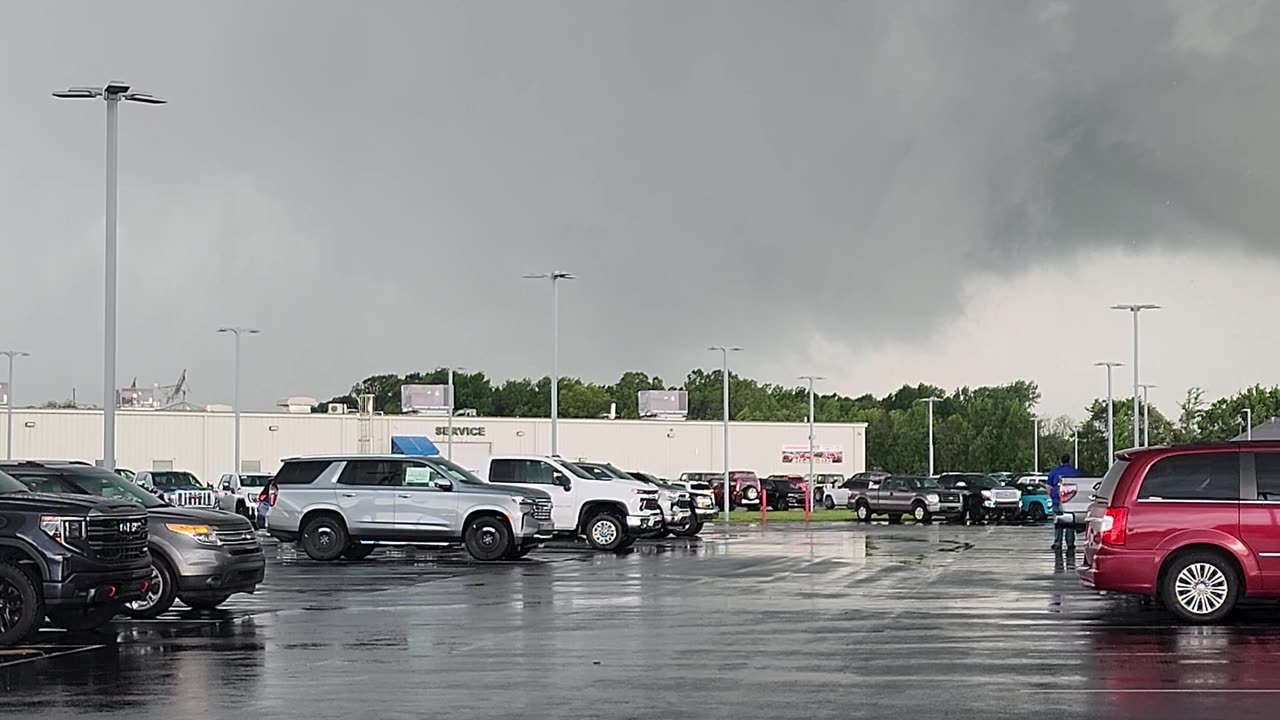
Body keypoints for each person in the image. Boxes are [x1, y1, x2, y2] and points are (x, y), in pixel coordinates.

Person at [1046, 454, 1083, 551]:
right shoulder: (1075, 472)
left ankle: (1057, 542)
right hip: (1071, 501)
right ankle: (1070, 543)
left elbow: (1048, 487)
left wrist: (1053, 497)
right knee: (1070, 523)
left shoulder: (1054, 472)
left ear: (1060, 461)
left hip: (1057, 500)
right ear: (1069, 460)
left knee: (1058, 522)